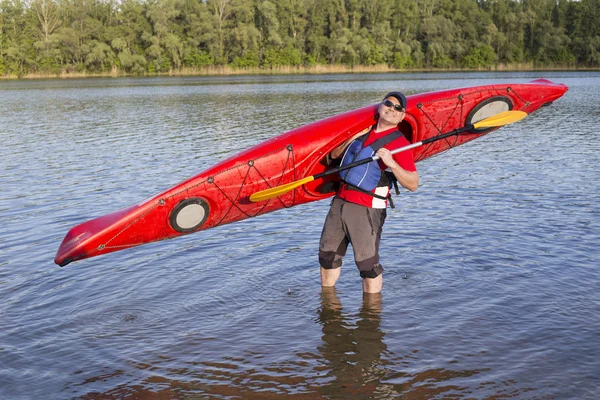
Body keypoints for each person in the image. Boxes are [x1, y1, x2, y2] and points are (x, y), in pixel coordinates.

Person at [318, 92, 419, 293]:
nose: (392, 109)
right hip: (340, 201)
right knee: (327, 257)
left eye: (398, 108)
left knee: (367, 266)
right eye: (388, 104)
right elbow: (334, 155)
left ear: (402, 116)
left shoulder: (400, 144)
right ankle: (328, 302)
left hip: (366, 207)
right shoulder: (362, 132)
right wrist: (352, 138)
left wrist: (392, 164)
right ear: (380, 107)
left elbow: (413, 183)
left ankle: (371, 316)